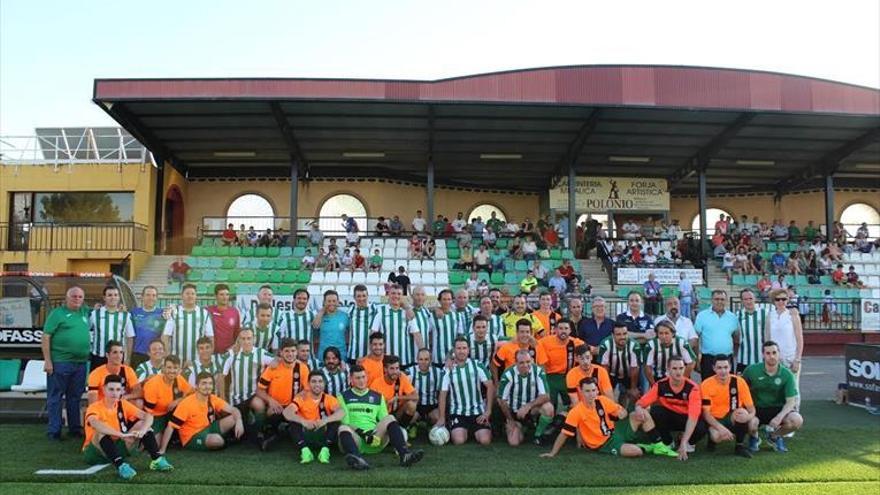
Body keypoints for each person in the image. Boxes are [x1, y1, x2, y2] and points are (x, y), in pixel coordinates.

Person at [540, 378, 676, 458]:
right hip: (605, 443)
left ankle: (659, 445)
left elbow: (620, 412)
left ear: (597, 391)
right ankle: (645, 447)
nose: (591, 394)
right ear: (581, 392)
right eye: (587, 391)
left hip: (615, 430)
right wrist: (552, 453)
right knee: (636, 452)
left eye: (593, 390)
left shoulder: (602, 400)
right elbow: (564, 434)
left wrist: (621, 412)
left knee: (641, 415)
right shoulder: (576, 411)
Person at [83, 374, 173, 480]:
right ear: (104, 390)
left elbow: (148, 416)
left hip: (117, 446)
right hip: (96, 452)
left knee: (142, 424)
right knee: (101, 431)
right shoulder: (95, 407)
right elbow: (95, 424)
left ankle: (157, 460)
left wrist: (143, 430)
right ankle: (121, 466)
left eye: (117, 389)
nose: (114, 393)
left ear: (121, 391)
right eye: (111, 389)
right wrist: (120, 434)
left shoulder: (122, 404)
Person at [337, 365, 424, 469]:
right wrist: (363, 433)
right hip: (356, 440)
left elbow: (384, 420)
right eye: (358, 378)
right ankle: (357, 459)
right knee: (342, 428)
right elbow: (345, 422)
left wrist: (372, 435)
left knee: (390, 418)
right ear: (351, 379)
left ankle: (405, 455)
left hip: (375, 440)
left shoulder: (377, 397)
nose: (361, 381)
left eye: (363, 377)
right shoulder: (342, 397)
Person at [635, 356, 706, 460]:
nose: (678, 372)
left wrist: (683, 443)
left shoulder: (693, 388)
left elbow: (693, 417)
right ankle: (668, 441)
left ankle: (688, 443)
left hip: (687, 418)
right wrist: (638, 408)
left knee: (702, 427)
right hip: (671, 417)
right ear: (668, 370)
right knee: (656, 412)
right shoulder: (660, 385)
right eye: (674, 368)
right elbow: (640, 403)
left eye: (681, 368)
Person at [42, 286, 91, 440]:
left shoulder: (84, 311)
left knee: (75, 397)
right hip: (61, 362)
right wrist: (48, 361)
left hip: (81, 363)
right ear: (66, 298)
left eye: (80, 297)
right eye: (74, 296)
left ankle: (74, 428)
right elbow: (46, 337)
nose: (77, 299)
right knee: (56, 397)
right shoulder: (57, 314)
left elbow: (97, 310)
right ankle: (54, 431)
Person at [743, 341, 804, 453]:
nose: (772, 356)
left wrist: (779, 417)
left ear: (779, 353)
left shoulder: (787, 374)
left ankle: (774, 436)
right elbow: (741, 389)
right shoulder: (751, 371)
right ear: (763, 355)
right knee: (750, 423)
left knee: (797, 420)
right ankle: (754, 437)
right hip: (757, 409)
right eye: (768, 353)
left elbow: (791, 402)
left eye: (774, 352)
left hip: (778, 409)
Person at [162, 372, 244, 451]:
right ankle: (225, 440)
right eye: (204, 383)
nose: (207, 386)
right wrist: (162, 450)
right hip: (192, 436)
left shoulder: (212, 398)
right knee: (217, 440)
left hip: (208, 428)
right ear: (197, 386)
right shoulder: (187, 403)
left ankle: (227, 438)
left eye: (210, 383)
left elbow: (234, 410)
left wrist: (239, 421)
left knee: (234, 417)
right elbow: (171, 426)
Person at [436, 337, 496, 446]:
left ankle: (478, 430)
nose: (461, 351)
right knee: (459, 441)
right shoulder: (447, 369)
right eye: (458, 348)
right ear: (454, 350)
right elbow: (443, 394)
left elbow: (490, 386)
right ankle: (461, 429)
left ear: (468, 350)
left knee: (485, 441)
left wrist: (488, 411)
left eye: (464, 348)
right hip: (458, 413)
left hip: (477, 412)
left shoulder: (477, 365)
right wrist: (441, 417)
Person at [254, 338, 310, 450]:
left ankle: (287, 431)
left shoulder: (302, 368)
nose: (290, 354)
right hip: (276, 406)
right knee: (271, 413)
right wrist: (271, 401)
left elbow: (307, 390)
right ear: (281, 352)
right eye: (287, 351)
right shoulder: (273, 368)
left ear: (297, 352)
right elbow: (259, 390)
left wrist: (295, 403)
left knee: (300, 419)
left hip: (293, 406)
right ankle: (267, 433)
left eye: (293, 351)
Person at [222, 328, 274, 439]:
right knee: (236, 434)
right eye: (243, 339)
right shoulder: (232, 353)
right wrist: (222, 397)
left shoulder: (261, 353)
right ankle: (245, 428)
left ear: (254, 339)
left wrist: (294, 361)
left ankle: (259, 433)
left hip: (253, 394)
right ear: (238, 340)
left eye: (249, 338)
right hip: (235, 397)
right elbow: (221, 376)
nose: (246, 341)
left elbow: (277, 362)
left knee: (259, 405)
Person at [285, 370, 345, 464]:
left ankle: (325, 451)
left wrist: (324, 421)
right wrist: (304, 421)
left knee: (336, 421)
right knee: (293, 421)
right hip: (305, 435)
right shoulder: (302, 398)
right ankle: (305, 451)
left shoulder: (330, 399)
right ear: (308, 384)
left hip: (323, 435)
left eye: (320, 381)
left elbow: (341, 412)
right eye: (314, 381)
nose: (317, 384)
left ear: (324, 384)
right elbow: (286, 412)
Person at [701, 355, 756, 458]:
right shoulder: (706, 384)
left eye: (726, 367)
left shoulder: (739, 382)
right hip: (715, 418)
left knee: (743, 414)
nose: (723, 371)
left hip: (731, 415)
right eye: (719, 368)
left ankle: (739, 446)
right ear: (714, 368)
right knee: (716, 436)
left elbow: (752, 410)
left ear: (730, 367)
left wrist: (747, 418)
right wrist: (721, 428)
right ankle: (711, 440)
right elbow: (706, 414)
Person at [498, 349, 555, 446]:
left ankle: (537, 436)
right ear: (515, 362)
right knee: (514, 443)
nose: (525, 365)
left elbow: (546, 396)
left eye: (528, 362)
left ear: (532, 360)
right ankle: (516, 426)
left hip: (531, 409)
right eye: (521, 363)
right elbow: (501, 400)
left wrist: (528, 406)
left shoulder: (538, 371)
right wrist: (510, 420)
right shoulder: (508, 374)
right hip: (515, 412)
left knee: (548, 408)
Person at [371, 284, 423, 370]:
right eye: (393, 293)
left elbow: (417, 335)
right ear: (388, 294)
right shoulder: (381, 311)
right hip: (386, 360)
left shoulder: (407, 312)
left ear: (402, 296)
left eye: (399, 294)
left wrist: (423, 352)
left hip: (404, 360)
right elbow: (373, 334)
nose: (396, 296)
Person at [767, 288, 804, 408]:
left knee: (793, 388)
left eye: (784, 299)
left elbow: (799, 339)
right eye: (778, 299)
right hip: (775, 359)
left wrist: (797, 359)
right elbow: (767, 339)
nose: (781, 302)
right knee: (776, 388)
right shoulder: (770, 316)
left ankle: (794, 415)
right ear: (774, 301)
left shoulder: (792, 315)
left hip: (790, 358)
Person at [162, 284, 214, 366]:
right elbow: (165, 335)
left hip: (198, 360)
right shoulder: (174, 312)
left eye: (193, 294)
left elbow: (210, 337)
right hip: (176, 361)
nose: (190, 296)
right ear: (182, 296)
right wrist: (167, 355)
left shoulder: (204, 313)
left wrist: (208, 356)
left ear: (196, 296)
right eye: (187, 293)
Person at [538, 318, 584, 410]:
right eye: (560, 328)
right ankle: (549, 421)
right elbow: (536, 354)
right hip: (550, 377)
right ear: (555, 330)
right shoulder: (544, 342)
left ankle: (569, 419)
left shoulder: (576, 342)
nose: (563, 331)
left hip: (569, 375)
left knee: (575, 403)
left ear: (570, 330)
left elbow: (589, 351)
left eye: (566, 328)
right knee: (549, 405)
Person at [694, 289, 739, 379]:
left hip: (727, 359)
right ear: (712, 300)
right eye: (717, 299)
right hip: (708, 359)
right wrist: (697, 358)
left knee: (728, 387)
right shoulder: (702, 316)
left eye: (722, 299)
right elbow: (696, 338)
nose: (719, 302)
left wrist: (733, 356)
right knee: (708, 386)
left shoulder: (732, 317)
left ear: (725, 301)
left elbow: (736, 338)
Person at [142, 355, 192, 436]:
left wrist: (178, 401)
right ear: (163, 368)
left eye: (175, 368)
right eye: (169, 367)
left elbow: (193, 393)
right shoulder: (154, 384)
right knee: (154, 443)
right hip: (155, 416)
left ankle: (181, 435)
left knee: (189, 404)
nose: (172, 371)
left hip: (169, 415)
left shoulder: (179, 379)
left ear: (179, 370)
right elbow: (147, 412)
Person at [90, 285, 135, 369]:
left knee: (116, 382)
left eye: (115, 295)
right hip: (98, 357)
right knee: (97, 382)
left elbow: (130, 337)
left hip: (118, 358)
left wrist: (128, 358)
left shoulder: (126, 315)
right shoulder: (95, 314)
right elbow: (86, 332)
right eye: (109, 295)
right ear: (104, 297)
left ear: (119, 297)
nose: (113, 297)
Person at [369, 355, 419, 431]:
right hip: (383, 416)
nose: (395, 372)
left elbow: (416, 396)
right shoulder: (376, 384)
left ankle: (402, 429)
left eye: (397, 368)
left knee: (412, 406)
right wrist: (385, 405)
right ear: (385, 369)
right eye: (392, 368)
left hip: (397, 413)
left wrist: (397, 398)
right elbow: (372, 409)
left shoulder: (401, 377)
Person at [598, 322, 641, 407]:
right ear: (613, 335)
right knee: (605, 394)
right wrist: (606, 387)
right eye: (618, 334)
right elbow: (604, 368)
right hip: (611, 373)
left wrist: (633, 388)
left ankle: (627, 410)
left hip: (628, 374)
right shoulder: (605, 344)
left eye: (625, 334)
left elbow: (634, 368)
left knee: (634, 394)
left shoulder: (634, 345)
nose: (622, 337)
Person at [87, 340, 141, 405]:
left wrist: (125, 397)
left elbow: (139, 392)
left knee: (139, 402)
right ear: (107, 355)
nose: (119, 356)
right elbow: (92, 402)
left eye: (121, 352)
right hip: (103, 407)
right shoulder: (96, 373)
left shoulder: (128, 370)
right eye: (115, 352)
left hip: (122, 404)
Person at [129, 286, 166, 369]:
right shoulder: (134, 313)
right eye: (148, 295)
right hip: (138, 354)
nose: (151, 298)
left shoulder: (163, 314)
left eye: (153, 295)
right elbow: (129, 336)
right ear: (142, 297)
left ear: (157, 298)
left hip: (156, 355)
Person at [736, 288, 769, 373]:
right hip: (743, 358)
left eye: (750, 298)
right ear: (742, 301)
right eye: (745, 299)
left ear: (755, 299)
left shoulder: (765, 313)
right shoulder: (737, 315)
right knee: (742, 385)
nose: (748, 301)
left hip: (762, 358)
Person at [313, 290, 350, 363]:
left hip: (340, 355)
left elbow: (351, 334)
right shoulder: (319, 316)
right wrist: (322, 311)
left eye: (334, 301)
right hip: (323, 356)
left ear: (338, 302)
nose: (331, 303)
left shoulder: (345, 316)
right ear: (324, 302)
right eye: (329, 301)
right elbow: (315, 326)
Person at [430, 289, 464, 367]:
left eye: (449, 299)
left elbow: (460, 337)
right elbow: (428, 334)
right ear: (439, 301)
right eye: (444, 299)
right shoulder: (432, 316)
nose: (446, 302)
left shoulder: (457, 316)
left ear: (452, 301)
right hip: (437, 358)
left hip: (453, 357)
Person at [277, 289, 315, 354]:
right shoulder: (285, 316)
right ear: (294, 300)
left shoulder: (313, 315)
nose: (301, 301)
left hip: (308, 357)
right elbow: (279, 336)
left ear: (307, 300)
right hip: (291, 357)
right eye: (299, 298)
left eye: (304, 299)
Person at [346, 285, 377, 364]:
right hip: (353, 354)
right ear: (354, 297)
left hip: (370, 354)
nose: (361, 298)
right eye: (358, 296)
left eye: (364, 296)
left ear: (367, 296)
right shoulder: (351, 310)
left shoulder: (374, 309)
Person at [206, 284, 241, 354]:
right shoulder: (208, 311)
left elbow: (237, 333)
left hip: (229, 352)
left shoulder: (234, 312)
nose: (225, 297)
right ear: (215, 296)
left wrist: (234, 347)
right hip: (212, 352)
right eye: (221, 294)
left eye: (227, 294)